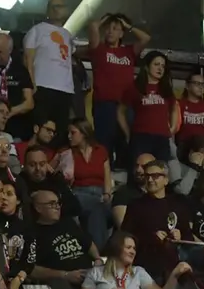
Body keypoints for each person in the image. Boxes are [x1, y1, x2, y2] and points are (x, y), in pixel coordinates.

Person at [87, 13, 150, 159]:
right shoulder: (99, 49)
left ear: (122, 33)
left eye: (115, 28)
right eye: (108, 28)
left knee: (126, 142)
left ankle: (124, 170)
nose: (110, 31)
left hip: (126, 105)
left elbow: (145, 38)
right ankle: (106, 170)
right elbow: (93, 27)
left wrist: (128, 27)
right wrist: (104, 20)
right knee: (104, 143)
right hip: (104, 104)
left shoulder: (128, 51)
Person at [123, 159, 193, 278]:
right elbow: (126, 236)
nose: (150, 180)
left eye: (155, 176)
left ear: (166, 180)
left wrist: (180, 236)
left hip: (173, 264)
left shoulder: (178, 205)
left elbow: (189, 238)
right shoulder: (136, 205)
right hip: (146, 265)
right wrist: (151, 237)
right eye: (147, 176)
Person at [119, 51, 179, 166]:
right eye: (156, 64)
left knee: (160, 171)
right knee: (139, 171)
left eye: (163, 66)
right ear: (146, 67)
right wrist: (127, 133)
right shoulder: (135, 88)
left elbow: (174, 108)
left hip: (162, 138)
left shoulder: (166, 89)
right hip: (141, 137)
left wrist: (172, 129)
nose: (160, 68)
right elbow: (120, 111)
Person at [24, 0, 74, 133]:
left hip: (65, 89)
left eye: (59, 6)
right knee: (41, 129)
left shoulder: (67, 35)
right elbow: (28, 59)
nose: (56, 9)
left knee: (61, 132)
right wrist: (31, 84)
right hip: (43, 87)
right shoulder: (37, 30)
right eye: (53, 6)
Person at [65, 117, 110, 249]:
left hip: (100, 194)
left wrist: (107, 193)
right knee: (95, 206)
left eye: (73, 133)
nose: (69, 136)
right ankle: (101, 253)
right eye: (68, 133)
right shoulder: (68, 153)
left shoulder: (100, 150)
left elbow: (107, 176)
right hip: (79, 194)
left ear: (84, 133)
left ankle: (95, 253)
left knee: (97, 210)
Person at [177, 70, 204, 150]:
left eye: (203, 84)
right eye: (197, 84)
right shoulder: (179, 104)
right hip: (185, 145)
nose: (201, 87)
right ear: (187, 86)